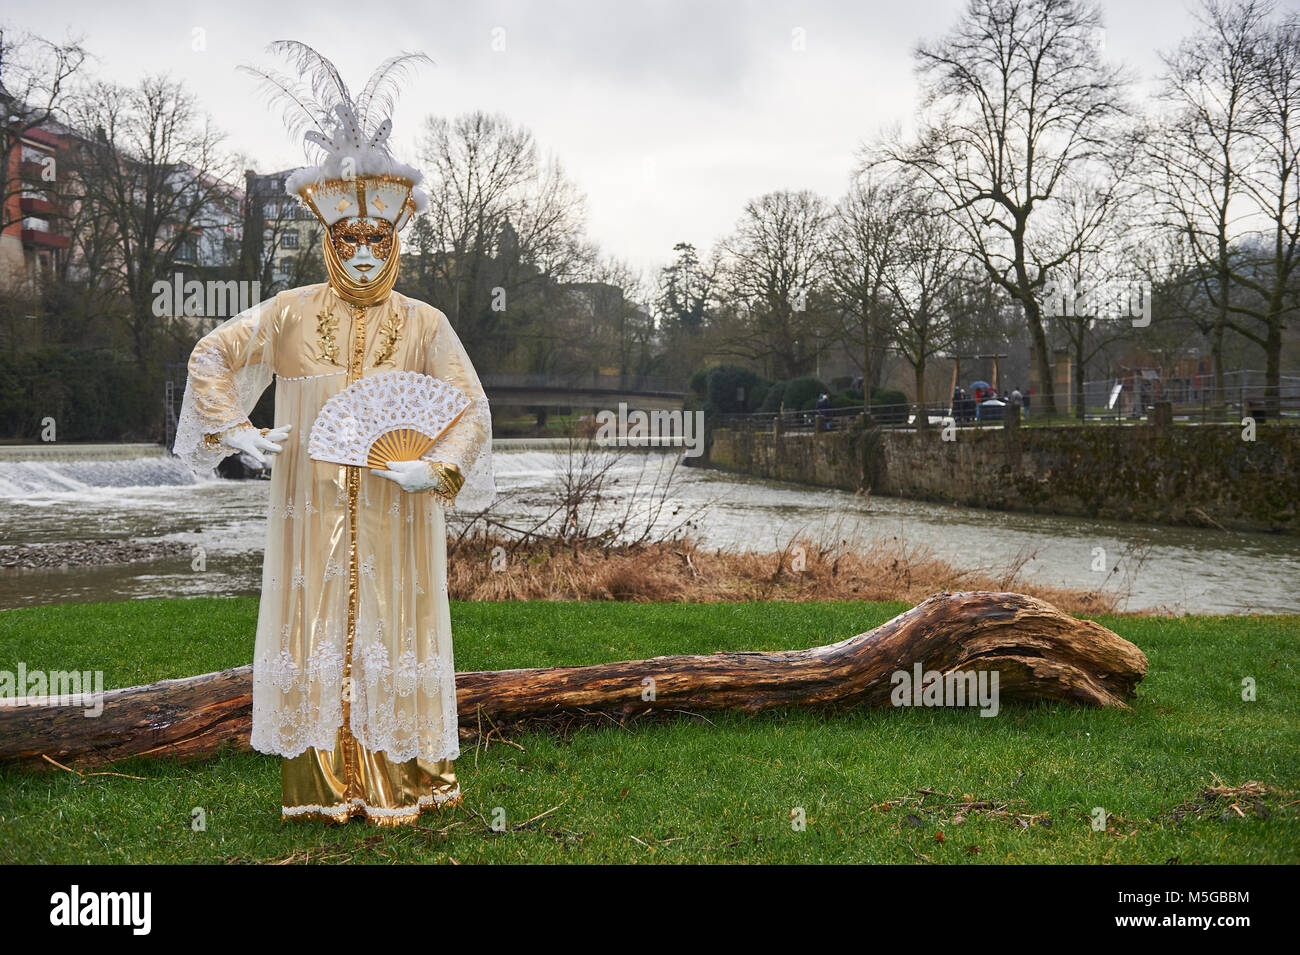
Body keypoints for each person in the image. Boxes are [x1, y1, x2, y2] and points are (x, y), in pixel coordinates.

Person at [173, 43, 493, 826]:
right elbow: (211, 354)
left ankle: (401, 776)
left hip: (396, 511)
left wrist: (437, 468)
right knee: (313, 626)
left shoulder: (426, 323)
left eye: (374, 242)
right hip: (309, 513)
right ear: (326, 238)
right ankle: (320, 784)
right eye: (345, 240)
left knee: (394, 624)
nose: (357, 253)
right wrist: (237, 430)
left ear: (395, 241)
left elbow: (472, 409)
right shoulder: (287, 313)